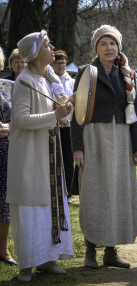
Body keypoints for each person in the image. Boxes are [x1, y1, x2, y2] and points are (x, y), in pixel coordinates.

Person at [71, 25, 137, 269]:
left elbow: (135, 112)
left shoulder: (126, 74)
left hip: (122, 137)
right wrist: (77, 148)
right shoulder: (86, 72)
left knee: (118, 192)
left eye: (112, 43)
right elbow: (77, 113)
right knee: (94, 191)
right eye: (104, 44)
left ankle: (111, 251)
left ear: (118, 47)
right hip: (94, 137)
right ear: (96, 48)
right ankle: (91, 249)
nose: (109, 48)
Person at [7, 30, 74, 282]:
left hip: (49, 152)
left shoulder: (48, 78)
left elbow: (60, 111)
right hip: (29, 156)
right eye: (47, 45)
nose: (52, 47)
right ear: (36, 53)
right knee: (30, 207)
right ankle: (27, 265)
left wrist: (64, 111)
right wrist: (54, 117)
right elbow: (21, 119)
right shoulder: (24, 81)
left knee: (49, 205)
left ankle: (48, 259)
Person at [52, 50, 75, 197]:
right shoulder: (50, 81)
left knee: (68, 158)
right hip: (55, 124)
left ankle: (69, 190)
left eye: (63, 63)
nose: (61, 66)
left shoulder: (72, 81)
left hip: (70, 125)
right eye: (58, 63)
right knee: (56, 158)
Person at [0, 47, 15, 266]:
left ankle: (3, 249)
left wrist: (10, 127)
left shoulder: (9, 87)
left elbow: (22, 116)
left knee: (4, 202)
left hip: (6, 149)